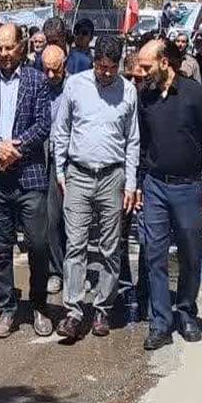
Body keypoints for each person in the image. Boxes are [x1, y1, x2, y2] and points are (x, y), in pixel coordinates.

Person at [53, 36, 140, 340]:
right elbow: (62, 130)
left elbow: (132, 141)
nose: (106, 73)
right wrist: (60, 170)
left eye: (112, 68)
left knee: (110, 247)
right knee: (75, 244)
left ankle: (103, 308)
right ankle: (74, 311)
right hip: (78, 174)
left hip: (112, 177)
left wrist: (130, 183)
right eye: (102, 67)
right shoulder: (75, 85)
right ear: (94, 62)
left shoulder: (128, 91)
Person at [136, 39, 202, 350]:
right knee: (154, 255)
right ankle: (160, 322)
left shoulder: (196, 94)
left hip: (188, 188)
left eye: (146, 66)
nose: (141, 72)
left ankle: (186, 312)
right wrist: (139, 183)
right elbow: (142, 144)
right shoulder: (145, 96)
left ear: (164, 63)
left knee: (190, 254)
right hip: (155, 187)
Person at [0, 23, 54, 338]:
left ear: (21, 47)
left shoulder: (36, 80)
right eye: (0, 48)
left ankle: (39, 305)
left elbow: (43, 124)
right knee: (1, 247)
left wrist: (14, 149)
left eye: (10, 47)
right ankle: (7, 308)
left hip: (29, 176)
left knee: (38, 244)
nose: (5, 53)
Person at [40, 44, 68, 294]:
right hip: (46, 159)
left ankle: (74, 270)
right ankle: (55, 270)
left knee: (72, 220)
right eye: (46, 70)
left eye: (55, 70)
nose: (50, 75)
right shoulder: (40, 88)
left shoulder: (75, 88)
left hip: (69, 160)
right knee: (51, 218)